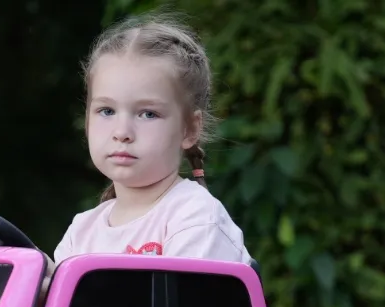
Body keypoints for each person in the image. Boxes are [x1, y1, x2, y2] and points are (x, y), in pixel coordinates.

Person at [53, 13, 253, 266]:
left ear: (189, 129)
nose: (122, 132)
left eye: (148, 114)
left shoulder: (195, 217)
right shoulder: (81, 232)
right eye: (107, 111)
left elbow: (186, 304)